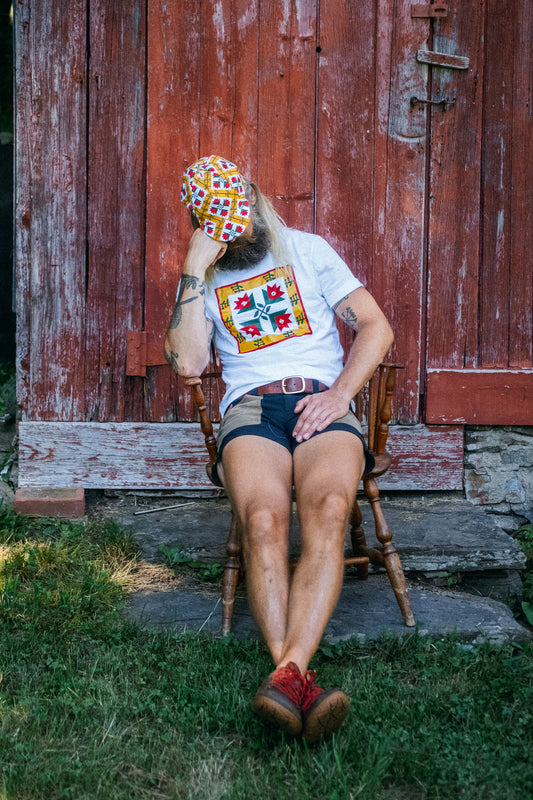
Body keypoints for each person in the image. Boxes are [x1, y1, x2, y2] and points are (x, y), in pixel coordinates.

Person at [164, 155, 394, 743]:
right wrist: (193, 267)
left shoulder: (308, 251)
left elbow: (376, 327)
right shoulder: (206, 280)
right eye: (218, 227)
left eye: (237, 218)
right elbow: (190, 363)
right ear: (203, 227)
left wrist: (342, 393)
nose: (234, 233)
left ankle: (284, 677)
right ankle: (297, 678)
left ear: (256, 201)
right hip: (249, 410)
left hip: (323, 400)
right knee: (263, 520)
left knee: (328, 511)